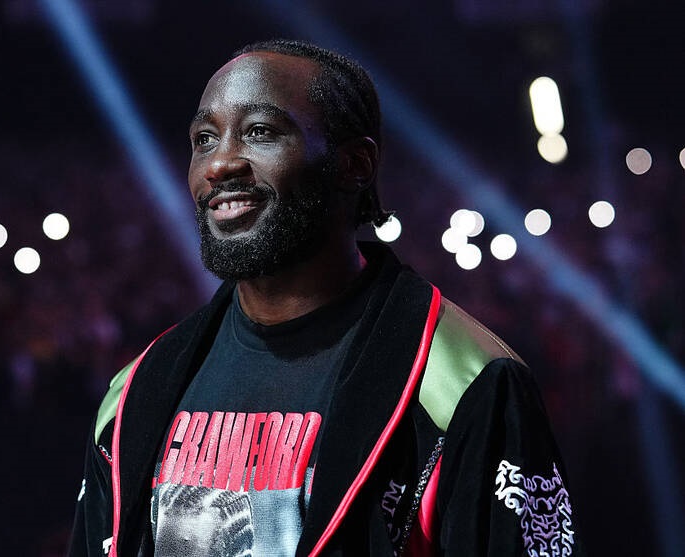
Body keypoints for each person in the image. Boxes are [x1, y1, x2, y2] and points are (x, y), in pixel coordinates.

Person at [68, 39, 581, 557]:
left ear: (355, 164)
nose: (219, 164)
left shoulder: (464, 383)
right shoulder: (134, 392)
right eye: (204, 138)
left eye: (260, 132)